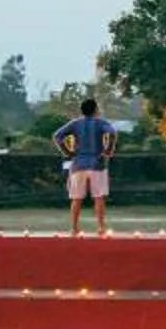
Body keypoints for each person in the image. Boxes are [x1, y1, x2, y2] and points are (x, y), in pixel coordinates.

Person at [55, 96, 117, 235]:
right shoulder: (100, 122)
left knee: (76, 198)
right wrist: (108, 150)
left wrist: (68, 152)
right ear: (95, 109)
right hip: (97, 164)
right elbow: (112, 133)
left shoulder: (75, 123)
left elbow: (57, 136)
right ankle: (100, 227)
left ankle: (74, 228)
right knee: (99, 197)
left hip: (78, 164)